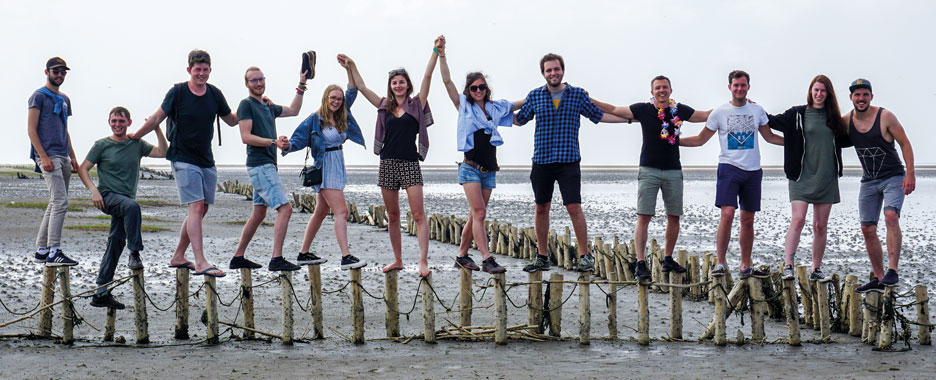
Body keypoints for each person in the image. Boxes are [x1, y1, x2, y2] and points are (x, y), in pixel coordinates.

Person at [514, 53, 631, 273]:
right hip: (542, 161)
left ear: (562, 70)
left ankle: (585, 256)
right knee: (541, 207)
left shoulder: (576, 95)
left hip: (569, 161)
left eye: (556, 69)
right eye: (548, 70)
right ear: (543, 74)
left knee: (574, 207)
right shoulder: (535, 96)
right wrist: (489, 112)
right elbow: (519, 120)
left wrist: (630, 120)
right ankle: (542, 257)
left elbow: (599, 116)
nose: (553, 73)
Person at [129, 50, 238, 278]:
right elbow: (157, 118)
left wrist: (255, 104)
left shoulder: (215, 94)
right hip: (182, 156)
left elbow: (231, 120)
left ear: (210, 70)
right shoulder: (178, 92)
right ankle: (200, 261)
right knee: (196, 207)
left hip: (206, 158)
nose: (201, 73)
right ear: (189, 70)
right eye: (197, 69)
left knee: (203, 208)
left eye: (205, 69)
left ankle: (179, 255)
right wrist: (135, 136)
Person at [592, 75, 711, 280]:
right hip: (648, 169)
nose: (661, 91)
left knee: (674, 216)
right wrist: (590, 99)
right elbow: (612, 109)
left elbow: (705, 115)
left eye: (665, 87)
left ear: (671, 91)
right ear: (652, 92)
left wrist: (735, 104)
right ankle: (640, 262)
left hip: (673, 170)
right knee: (644, 216)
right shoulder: (643, 109)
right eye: (657, 88)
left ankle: (668, 259)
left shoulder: (679, 110)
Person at [345, 38, 441, 277]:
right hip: (387, 162)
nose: (398, 86)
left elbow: (428, 77)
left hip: (410, 162)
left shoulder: (417, 103)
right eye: (394, 83)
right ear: (391, 86)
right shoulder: (384, 105)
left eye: (402, 82)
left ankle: (422, 262)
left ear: (408, 85)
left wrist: (436, 52)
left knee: (418, 215)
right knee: (394, 215)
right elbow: (363, 87)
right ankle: (397, 259)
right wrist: (351, 66)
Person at [680, 70, 784, 278]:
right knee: (727, 214)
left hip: (753, 170)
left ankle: (745, 266)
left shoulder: (757, 110)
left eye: (743, 85)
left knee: (748, 219)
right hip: (729, 168)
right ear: (729, 87)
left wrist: (799, 144)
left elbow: (770, 137)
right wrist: (675, 141)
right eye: (735, 85)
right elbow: (700, 140)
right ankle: (720, 262)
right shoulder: (719, 112)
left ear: (748, 87)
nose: (739, 88)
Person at [437, 36, 517, 274]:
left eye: (482, 87)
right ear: (469, 91)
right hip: (470, 167)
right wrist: (441, 54)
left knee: (475, 215)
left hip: (489, 170)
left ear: (486, 89)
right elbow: (447, 81)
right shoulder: (464, 107)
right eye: (474, 88)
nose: (479, 90)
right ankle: (486, 258)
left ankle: (462, 255)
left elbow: (517, 106)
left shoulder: (494, 108)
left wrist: (539, 95)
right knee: (480, 212)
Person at [281, 55, 367, 270]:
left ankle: (303, 253)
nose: (336, 101)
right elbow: (299, 139)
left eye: (339, 98)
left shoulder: (342, 115)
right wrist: (287, 146)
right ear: (325, 99)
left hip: (338, 163)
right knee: (342, 211)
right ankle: (346, 256)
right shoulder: (315, 118)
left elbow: (353, 90)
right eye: (333, 98)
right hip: (325, 166)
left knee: (320, 211)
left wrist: (349, 67)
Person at [77, 107, 168, 309]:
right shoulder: (101, 145)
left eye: (121, 121)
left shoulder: (136, 144)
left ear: (129, 122)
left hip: (124, 202)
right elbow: (83, 168)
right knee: (133, 207)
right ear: (109, 122)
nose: (117, 124)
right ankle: (134, 252)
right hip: (107, 197)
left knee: (116, 242)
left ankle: (101, 292)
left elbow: (164, 152)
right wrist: (93, 190)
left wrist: (157, 128)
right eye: (114, 121)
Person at [766, 75, 849, 281]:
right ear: (810, 91)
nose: (819, 94)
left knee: (820, 226)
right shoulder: (797, 114)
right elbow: (772, 121)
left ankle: (816, 269)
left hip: (826, 176)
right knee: (798, 219)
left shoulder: (835, 118)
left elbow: (853, 136)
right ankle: (788, 265)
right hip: (801, 175)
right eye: (816, 90)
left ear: (828, 94)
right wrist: (755, 109)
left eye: (823, 91)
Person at [229, 66, 307, 272]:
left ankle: (238, 257)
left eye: (261, 79)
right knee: (285, 209)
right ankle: (277, 258)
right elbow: (245, 137)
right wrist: (274, 142)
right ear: (246, 84)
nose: (258, 83)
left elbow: (294, 110)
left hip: (266, 165)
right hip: (260, 166)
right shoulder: (246, 104)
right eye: (253, 81)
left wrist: (302, 84)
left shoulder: (267, 105)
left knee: (259, 214)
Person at [844, 79, 916, 292]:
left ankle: (892, 271)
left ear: (871, 97)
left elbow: (905, 142)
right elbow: (823, 126)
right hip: (868, 180)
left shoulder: (885, 116)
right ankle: (879, 276)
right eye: (857, 95)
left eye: (865, 94)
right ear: (851, 98)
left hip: (893, 176)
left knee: (891, 216)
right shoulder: (846, 120)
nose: (861, 98)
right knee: (867, 228)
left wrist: (910, 173)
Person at [28, 57, 80, 266]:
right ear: (47, 72)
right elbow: (31, 129)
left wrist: (73, 156)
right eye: (55, 71)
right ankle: (54, 251)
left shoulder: (65, 99)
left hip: (63, 155)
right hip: (47, 155)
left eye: (62, 72)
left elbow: (64, 130)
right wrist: (43, 156)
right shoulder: (38, 96)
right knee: (61, 201)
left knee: (55, 201)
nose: (59, 75)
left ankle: (42, 249)